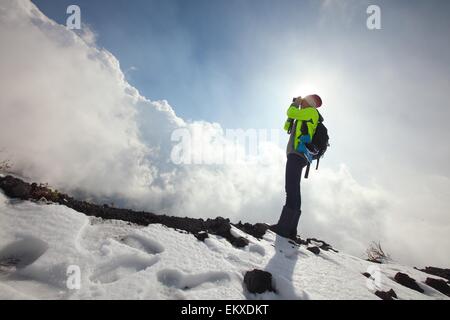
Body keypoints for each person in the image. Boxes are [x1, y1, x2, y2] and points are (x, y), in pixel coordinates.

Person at [272, 94, 322, 239]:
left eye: (304, 100)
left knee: (291, 189)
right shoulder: (303, 115)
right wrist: (292, 117)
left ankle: (284, 227)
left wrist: (294, 106)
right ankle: (291, 229)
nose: (302, 102)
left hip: (298, 154)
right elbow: (286, 126)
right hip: (297, 154)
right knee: (294, 189)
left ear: (310, 102)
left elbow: (290, 112)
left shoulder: (311, 112)